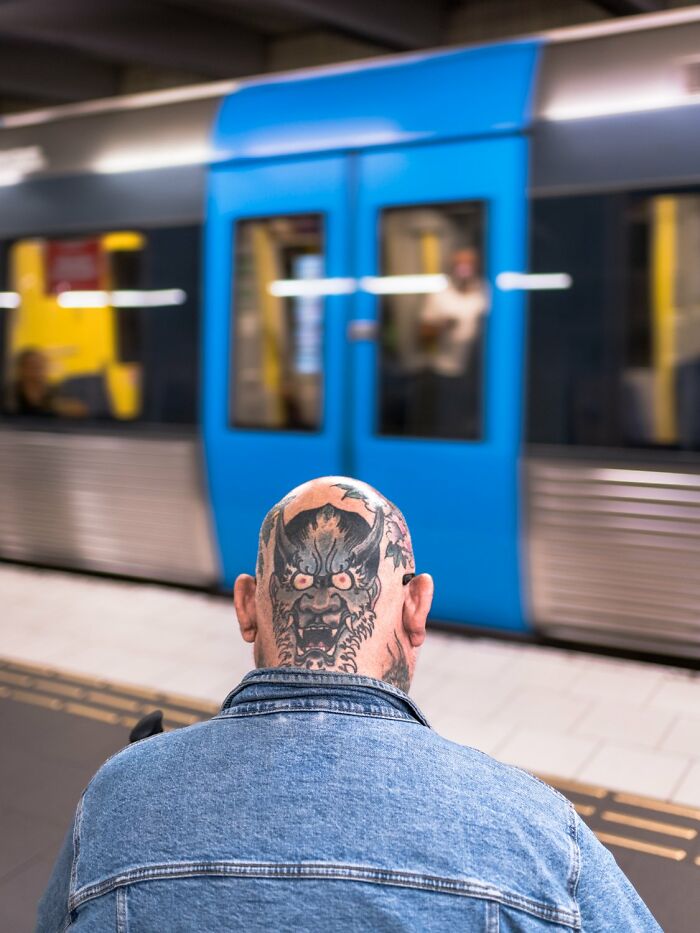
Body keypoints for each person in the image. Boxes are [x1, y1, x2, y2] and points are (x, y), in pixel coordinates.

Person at [37, 477, 659, 932]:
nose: (321, 603)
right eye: (303, 582)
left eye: (342, 584)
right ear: (418, 608)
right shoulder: (536, 832)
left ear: (246, 605)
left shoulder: (117, 801)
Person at [419, 248, 489, 437]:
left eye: (469, 263)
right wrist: (442, 326)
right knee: (448, 416)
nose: (464, 268)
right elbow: (424, 333)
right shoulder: (440, 294)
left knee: (479, 416)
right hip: (447, 368)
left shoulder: (486, 291)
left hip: (479, 368)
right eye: (460, 263)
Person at [7, 348, 88, 418]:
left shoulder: (55, 391)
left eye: (40, 366)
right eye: (32, 366)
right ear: (21, 369)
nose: (37, 371)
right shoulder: (11, 393)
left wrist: (60, 406)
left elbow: (80, 410)